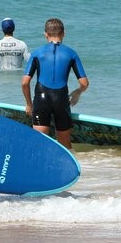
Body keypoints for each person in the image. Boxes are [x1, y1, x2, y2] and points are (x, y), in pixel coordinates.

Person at [21, 18, 89, 150]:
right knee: (65, 146)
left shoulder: (37, 53)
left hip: (41, 99)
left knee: (39, 145)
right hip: (61, 99)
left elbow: (25, 83)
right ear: (64, 33)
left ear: (45, 34)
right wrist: (77, 92)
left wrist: (29, 104)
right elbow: (84, 83)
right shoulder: (71, 53)